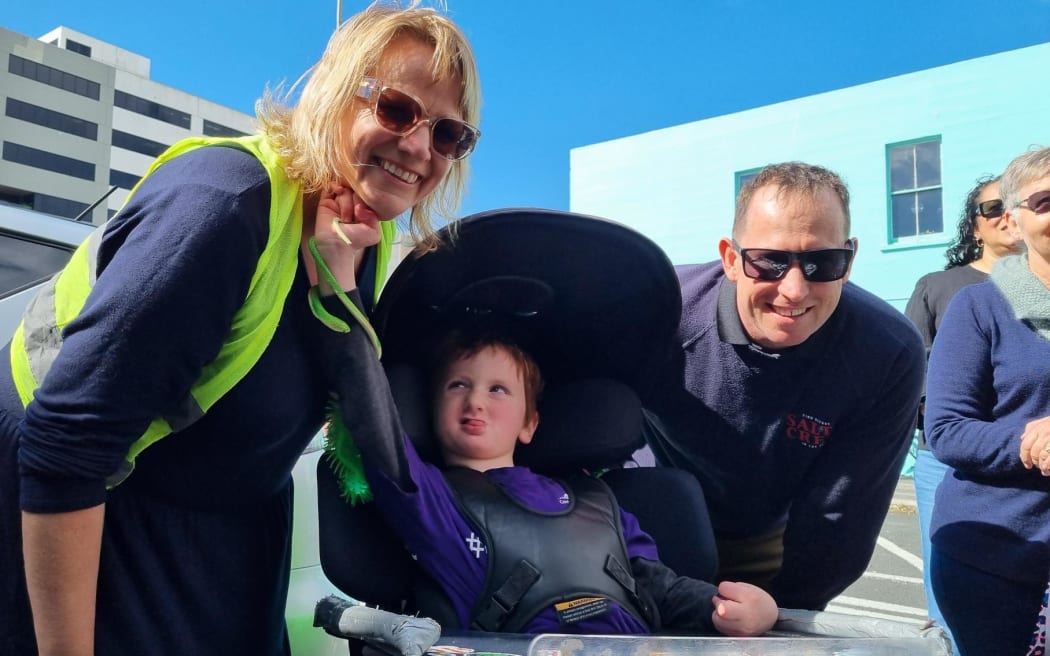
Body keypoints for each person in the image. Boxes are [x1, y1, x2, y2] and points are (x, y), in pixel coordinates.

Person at [0, 3, 481, 654]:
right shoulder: (222, 205)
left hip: (226, 531)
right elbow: (66, 444)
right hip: (85, 520)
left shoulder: (365, 231)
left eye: (449, 135)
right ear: (334, 94)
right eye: (397, 110)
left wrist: (335, 288)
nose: (421, 147)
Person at [316, 315, 779, 636]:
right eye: (459, 385)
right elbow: (376, 426)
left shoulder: (598, 503)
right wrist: (341, 282)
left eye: (498, 389)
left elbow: (658, 587)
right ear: (429, 410)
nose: (476, 400)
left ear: (530, 422)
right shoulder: (433, 499)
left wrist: (729, 609)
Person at [641, 161, 926, 611]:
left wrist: (784, 612)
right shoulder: (660, 310)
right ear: (731, 259)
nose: (793, 290)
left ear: (849, 260)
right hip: (649, 516)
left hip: (768, 538)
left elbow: (841, 520)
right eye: (769, 261)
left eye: (821, 263)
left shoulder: (887, 352)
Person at [925, 146, 1050, 653]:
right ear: (1014, 222)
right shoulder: (981, 305)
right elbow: (947, 429)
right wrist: (1030, 441)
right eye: (1044, 201)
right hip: (999, 556)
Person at [903, 174, 1020, 644]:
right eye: (992, 209)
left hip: (1031, 463)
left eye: (1014, 204)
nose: (1005, 216)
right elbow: (911, 365)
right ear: (974, 227)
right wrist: (932, 425)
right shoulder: (940, 286)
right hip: (947, 457)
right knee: (949, 579)